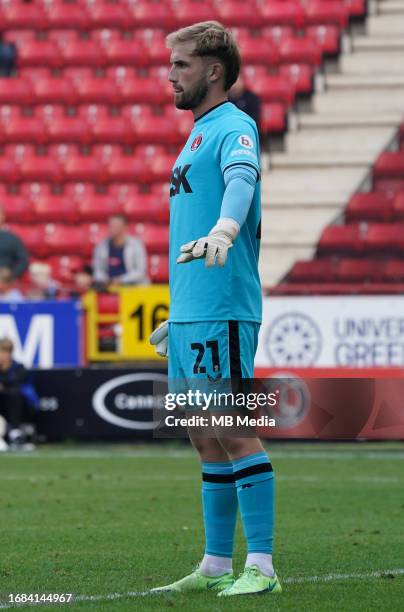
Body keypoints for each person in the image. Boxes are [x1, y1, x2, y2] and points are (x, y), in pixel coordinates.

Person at [149, 21, 280, 597]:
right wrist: (178, 315)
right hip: (193, 311)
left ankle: (264, 567)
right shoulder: (198, 131)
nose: (170, 74)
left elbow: (241, 181)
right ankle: (214, 565)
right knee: (204, 435)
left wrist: (226, 230)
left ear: (214, 70)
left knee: (233, 428)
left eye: (181, 64)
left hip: (225, 307)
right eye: (170, 64)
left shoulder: (233, 125)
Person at [0, 338, 39, 450]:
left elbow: (16, 383)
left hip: (24, 408)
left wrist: (3, 385)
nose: (2, 355)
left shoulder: (19, 368)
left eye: (5, 352)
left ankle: (15, 434)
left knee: (13, 394)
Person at [92, 214, 149, 287]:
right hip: (109, 286)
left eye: (116, 226)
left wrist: (121, 280)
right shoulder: (101, 246)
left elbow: (140, 271)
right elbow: (98, 270)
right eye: (111, 225)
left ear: (124, 227)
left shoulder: (136, 245)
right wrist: (105, 280)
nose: (112, 228)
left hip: (133, 287)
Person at [0, 205, 29, 281]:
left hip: (6, 280)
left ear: (3, 217)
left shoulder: (12, 238)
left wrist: (11, 274)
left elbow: (24, 260)